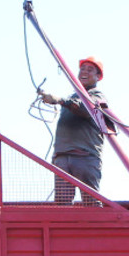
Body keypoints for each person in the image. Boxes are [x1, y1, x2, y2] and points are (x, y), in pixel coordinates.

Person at [39, 56, 111, 203]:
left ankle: (96, 226)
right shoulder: (73, 97)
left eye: (90, 70)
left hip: (84, 157)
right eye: (82, 69)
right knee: (62, 204)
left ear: (98, 77)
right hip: (63, 157)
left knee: (91, 202)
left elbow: (86, 109)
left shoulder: (97, 96)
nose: (84, 72)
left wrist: (59, 100)